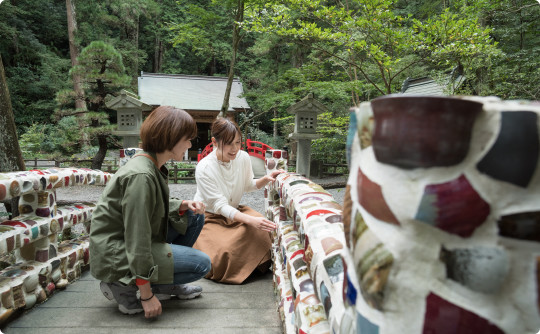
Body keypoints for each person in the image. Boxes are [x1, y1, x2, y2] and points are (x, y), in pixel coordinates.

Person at [89, 106, 211, 318]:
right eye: (188, 139)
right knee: (201, 264)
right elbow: (137, 237)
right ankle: (122, 285)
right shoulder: (141, 176)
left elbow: (153, 208)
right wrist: (145, 295)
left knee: (193, 216)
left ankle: (163, 286)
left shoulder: (150, 164)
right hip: (117, 251)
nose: (190, 145)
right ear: (170, 138)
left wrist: (182, 204)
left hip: (124, 243)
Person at [193, 118, 283, 284]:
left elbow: (249, 185)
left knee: (264, 230)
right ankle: (248, 265)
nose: (234, 149)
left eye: (238, 143)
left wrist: (266, 178)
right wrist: (251, 221)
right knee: (226, 250)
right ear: (214, 141)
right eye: (229, 143)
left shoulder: (243, 158)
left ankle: (250, 265)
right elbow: (220, 206)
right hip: (209, 217)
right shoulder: (204, 167)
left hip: (235, 211)